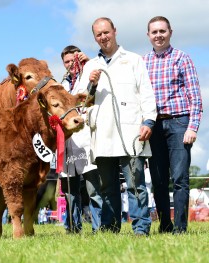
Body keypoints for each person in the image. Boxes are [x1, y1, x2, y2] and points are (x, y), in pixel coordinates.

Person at [79, 17, 157, 235]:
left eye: (106, 32)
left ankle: (141, 228)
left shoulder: (134, 60)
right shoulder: (91, 67)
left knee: (135, 184)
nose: (103, 37)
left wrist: (149, 120)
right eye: (98, 34)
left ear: (114, 31)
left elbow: (146, 93)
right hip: (102, 134)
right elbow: (83, 103)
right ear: (94, 38)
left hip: (131, 132)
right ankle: (110, 228)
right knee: (107, 187)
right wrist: (91, 85)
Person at [143, 16, 203, 234]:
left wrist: (192, 127)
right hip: (153, 126)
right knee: (158, 179)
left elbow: (195, 96)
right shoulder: (143, 62)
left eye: (162, 31)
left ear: (170, 32)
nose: (158, 35)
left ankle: (180, 227)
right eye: (154, 32)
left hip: (179, 122)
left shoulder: (182, 58)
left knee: (180, 179)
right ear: (148, 35)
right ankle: (165, 225)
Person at [59, 45, 103, 234]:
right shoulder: (61, 86)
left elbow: (102, 78)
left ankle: (99, 228)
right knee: (69, 191)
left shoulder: (90, 74)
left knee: (93, 189)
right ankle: (72, 228)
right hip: (67, 143)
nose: (70, 64)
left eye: (73, 60)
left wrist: (89, 62)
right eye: (67, 62)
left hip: (86, 139)